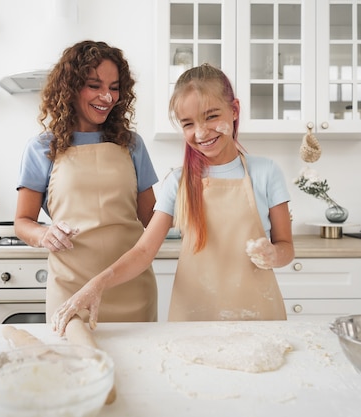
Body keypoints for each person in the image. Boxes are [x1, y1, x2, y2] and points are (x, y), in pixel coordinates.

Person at [52, 63, 295, 335]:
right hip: (195, 318)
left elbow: (286, 247)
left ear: (234, 110)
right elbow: (143, 252)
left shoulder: (266, 172)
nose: (201, 133)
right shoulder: (177, 182)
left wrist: (273, 254)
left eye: (212, 116)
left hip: (259, 316)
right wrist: (96, 285)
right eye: (188, 124)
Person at [14, 40, 159, 325]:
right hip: (71, 291)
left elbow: (152, 219)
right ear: (70, 87)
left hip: (131, 288)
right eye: (95, 85)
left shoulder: (131, 145)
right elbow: (22, 221)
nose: (107, 96)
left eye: (114, 87)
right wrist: (43, 234)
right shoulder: (43, 147)